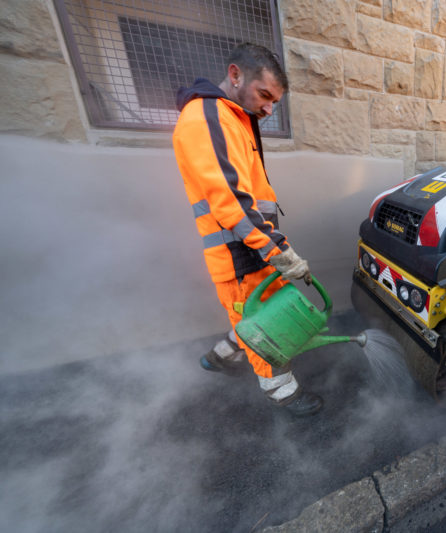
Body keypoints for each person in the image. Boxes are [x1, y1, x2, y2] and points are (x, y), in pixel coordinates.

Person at [172, 43, 323, 417]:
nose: (270, 109)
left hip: (250, 249)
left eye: (275, 101)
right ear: (235, 74)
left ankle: (220, 357)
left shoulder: (233, 117)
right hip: (239, 254)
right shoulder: (208, 118)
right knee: (264, 329)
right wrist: (279, 252)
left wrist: (272, 247)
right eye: (265, 95)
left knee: (250, 315)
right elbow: (232, 202)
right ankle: (283, 394)